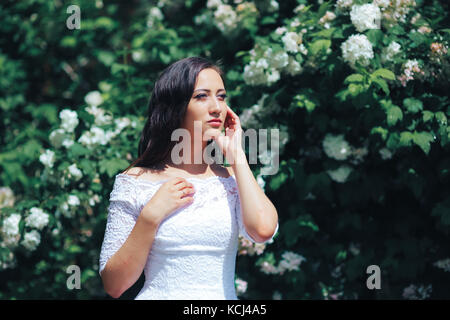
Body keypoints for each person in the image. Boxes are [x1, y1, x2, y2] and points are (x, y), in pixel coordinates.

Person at [98, 56, 279, 300]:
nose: (216, 106)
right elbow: (114, 284)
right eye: (202, 96)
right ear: (175, 106)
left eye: (221, 96)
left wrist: (237, 155)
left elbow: (263, 230)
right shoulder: (135, 181)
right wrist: (150, 217)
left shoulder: (233, 179)